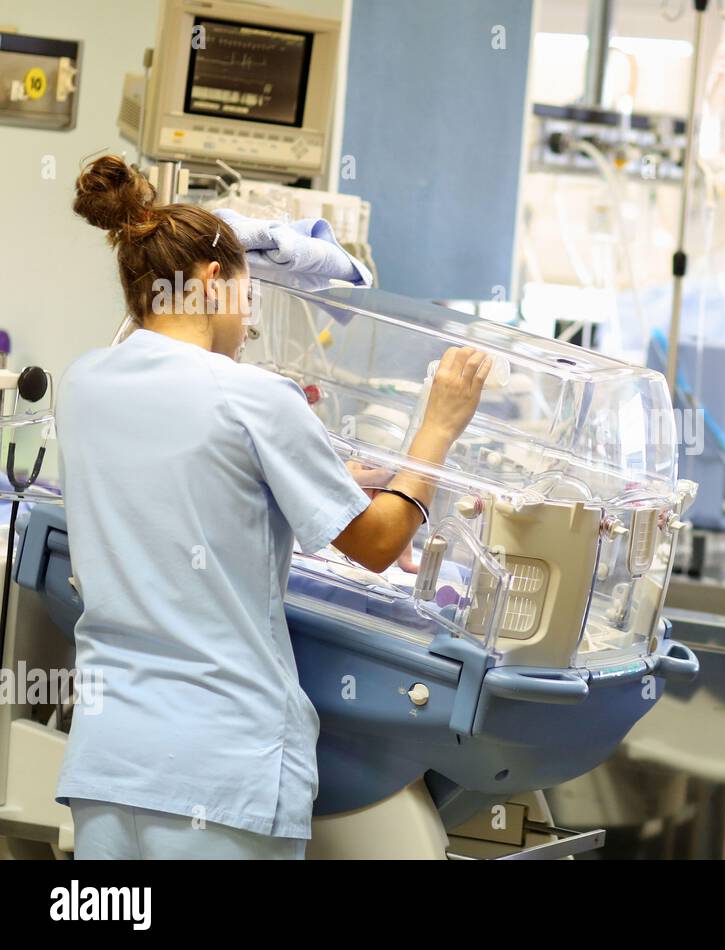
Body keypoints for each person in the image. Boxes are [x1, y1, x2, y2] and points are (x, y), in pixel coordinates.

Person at [55, 155, 491, 859]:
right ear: (209, 282)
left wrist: (320, 475)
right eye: (248, 295)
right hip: (222, 771)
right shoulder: (251, 396)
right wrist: (437, 427)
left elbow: (187, 476)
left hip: (109, 768)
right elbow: (380, 542)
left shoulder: (84, 383)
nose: (249, 322)